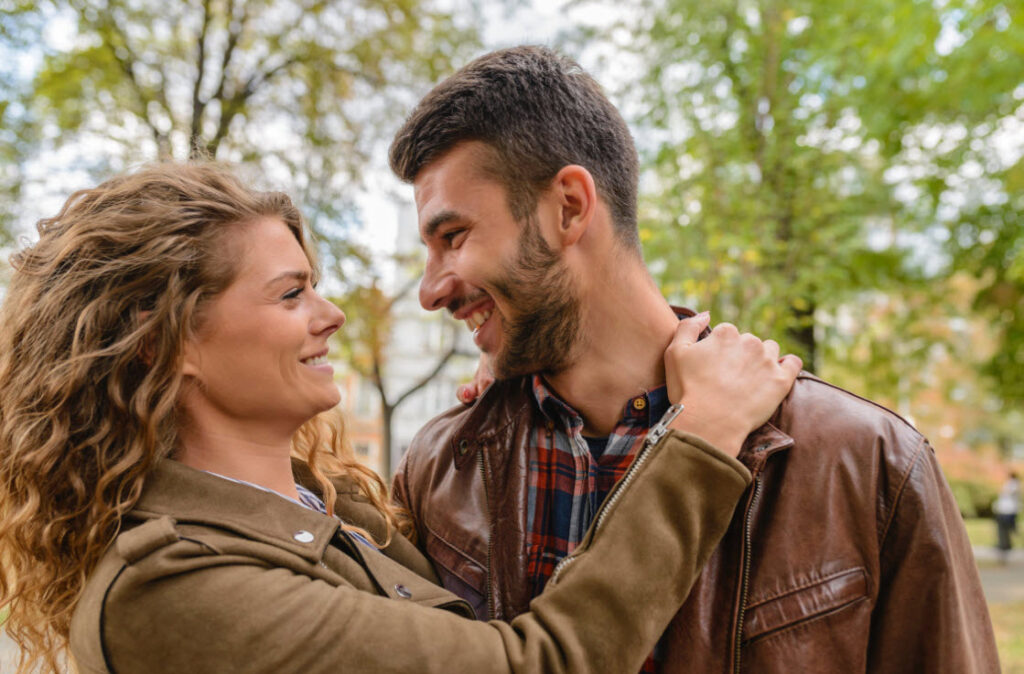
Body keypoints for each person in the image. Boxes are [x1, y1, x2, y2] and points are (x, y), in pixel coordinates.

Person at [0, 162, 801, 674]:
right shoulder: (170, 588)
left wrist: (514, 352)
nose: (333, 314)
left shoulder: (320, 507)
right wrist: (700, 437)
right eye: (291, 294)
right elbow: (543, 663)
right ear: (166, 345)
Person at [388, 46, 999, 672]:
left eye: (453, 237)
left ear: (568, 207)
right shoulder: (438, 471)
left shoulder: (871, 464)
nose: (430, 290)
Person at [994, 471, 1021, 562]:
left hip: (1008, 511)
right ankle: (1003, 548)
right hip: (1004, 510)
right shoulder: (1010, 484)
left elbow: (1010, 492)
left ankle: (1005, 548)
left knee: (1006, 531)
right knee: (1004, 532)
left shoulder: (1014, 484)